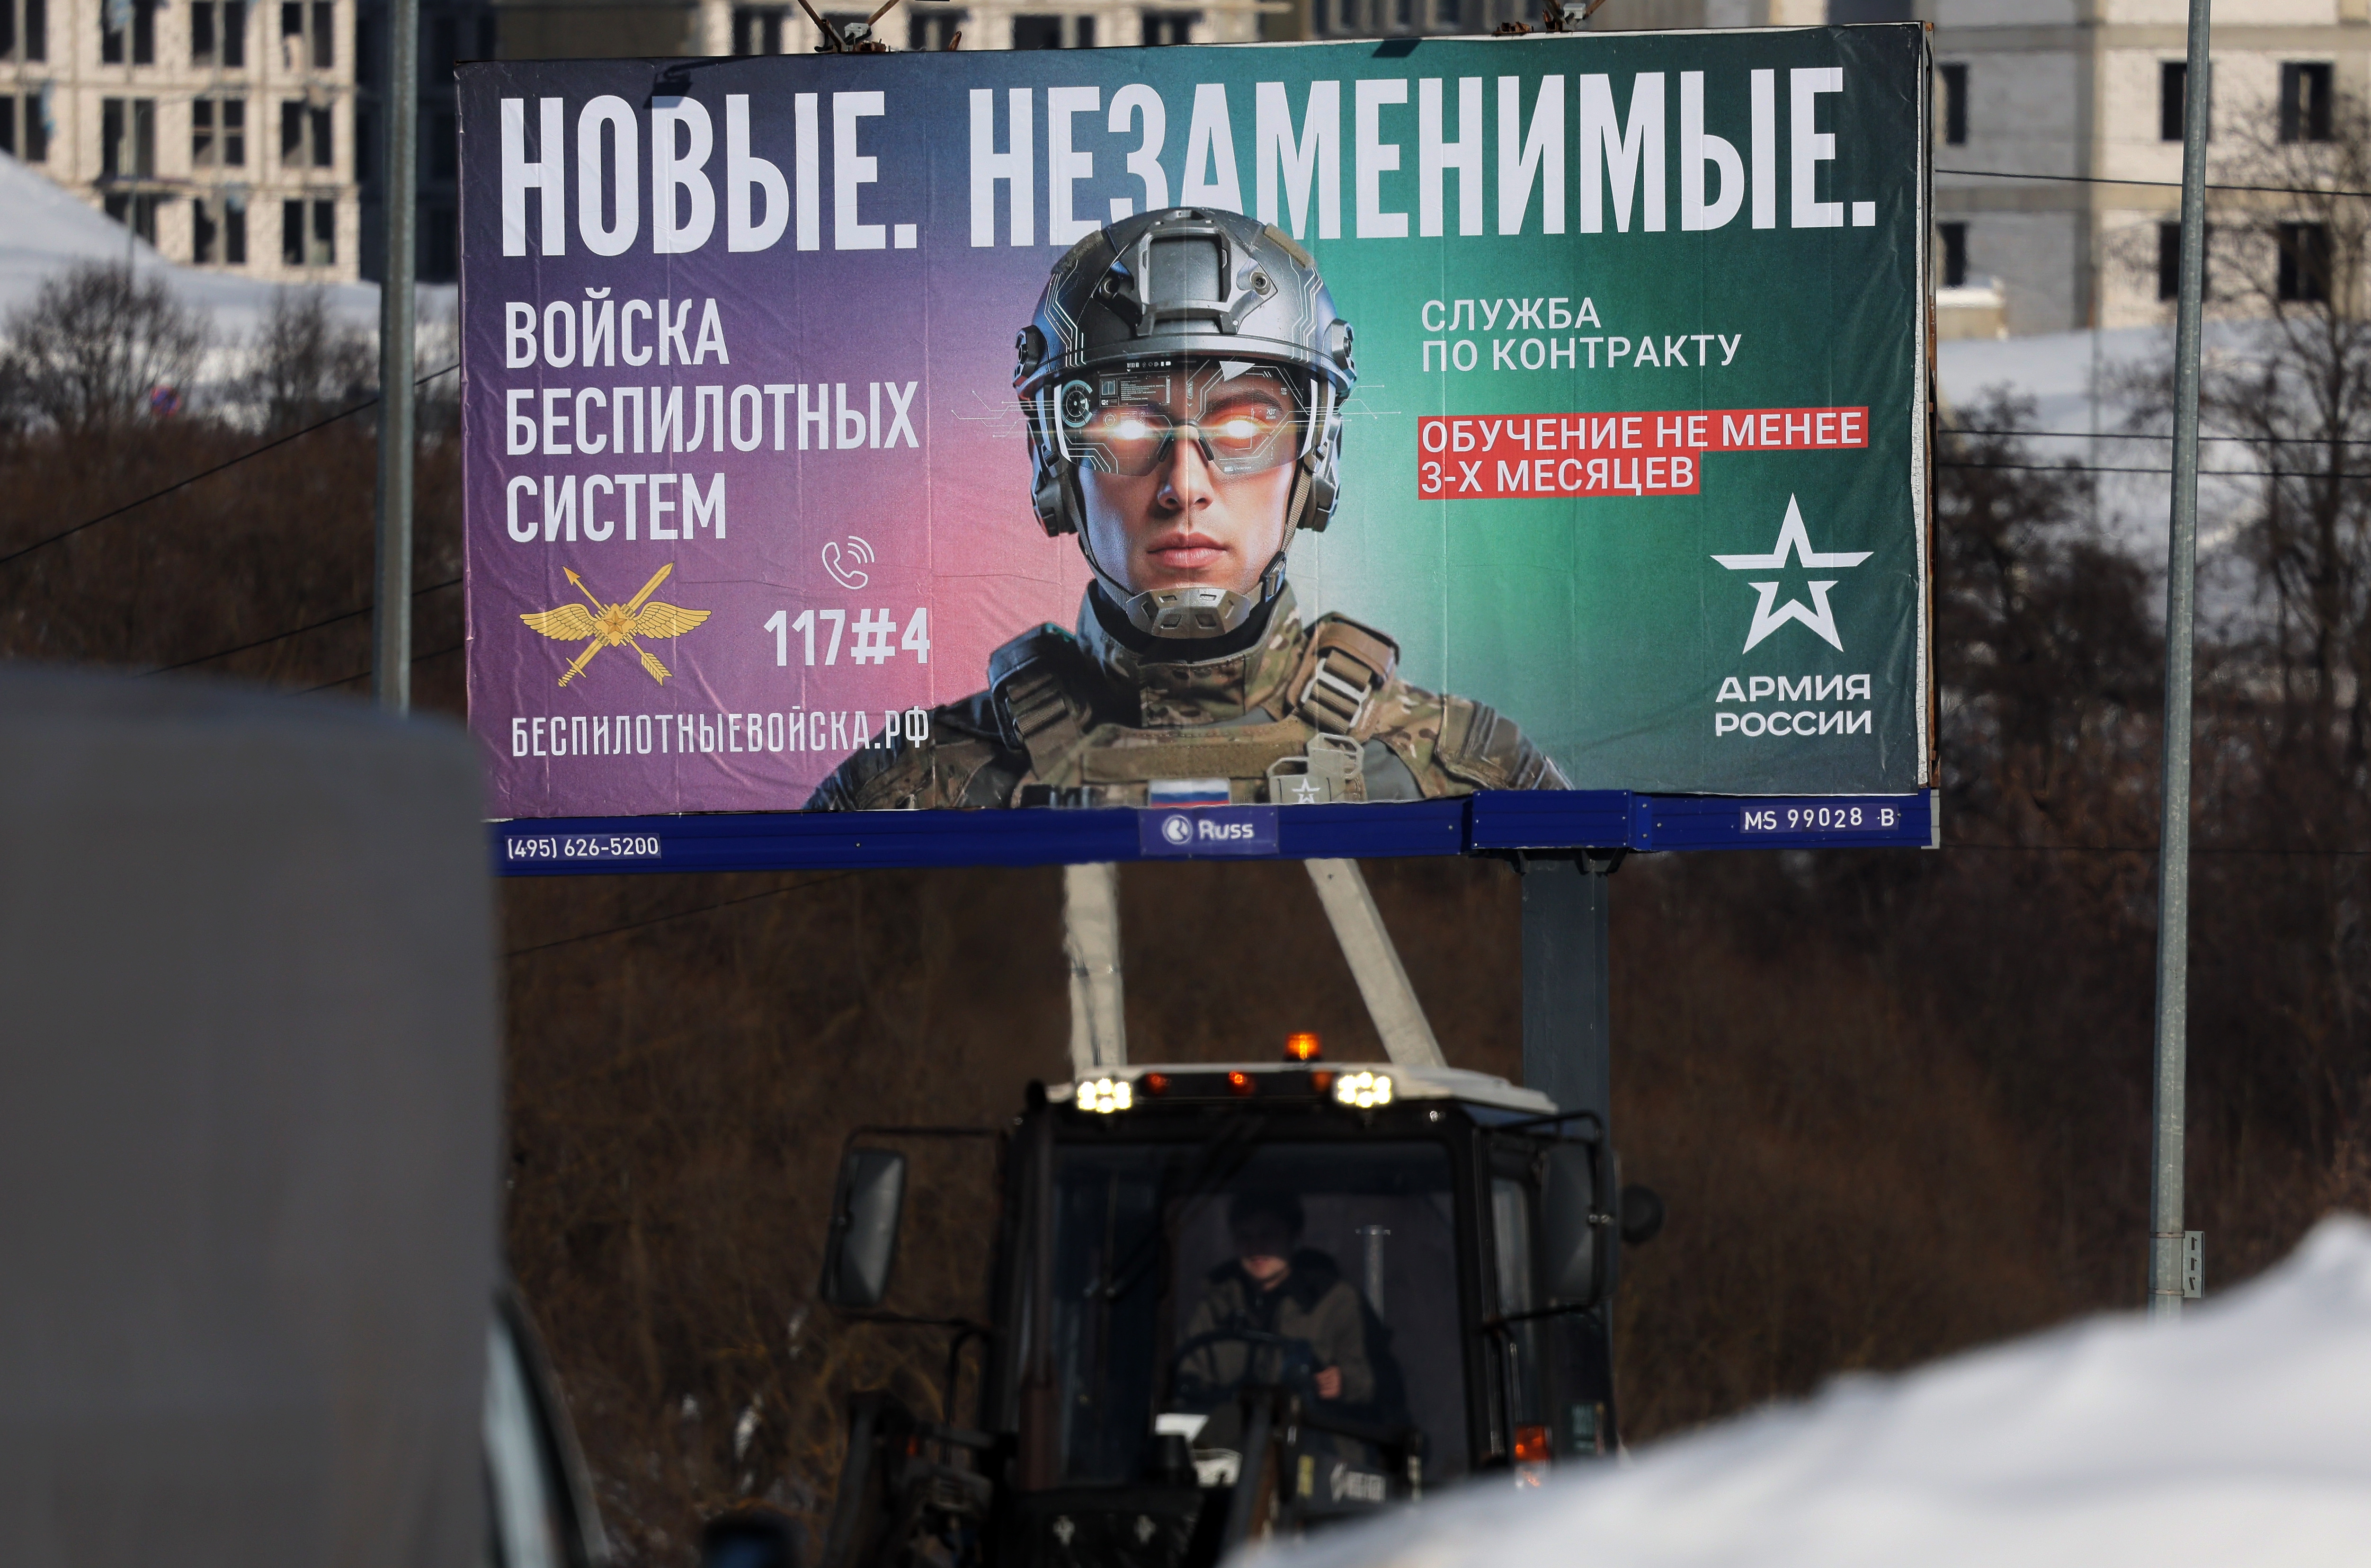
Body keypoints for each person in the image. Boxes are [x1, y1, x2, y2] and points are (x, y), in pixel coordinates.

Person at [805, 206, 1567, 811]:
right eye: (1129, 425)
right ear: (1057, 462)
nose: (1185, 486)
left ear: (1316, 454)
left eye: (1242, 427)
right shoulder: (915, 791)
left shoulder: (1464, 771)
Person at [1173, 1191, 1371, 1418]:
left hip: (1315, 1438)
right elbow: (1188, 1375)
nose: (1256, 1248)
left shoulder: (1336, 1301)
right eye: (1245, 1238)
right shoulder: (1215, 1306)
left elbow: (1372, 1380)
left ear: (1295, 1237)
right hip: (1231, 1441)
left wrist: (1343, 1383)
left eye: (1268, 1236)